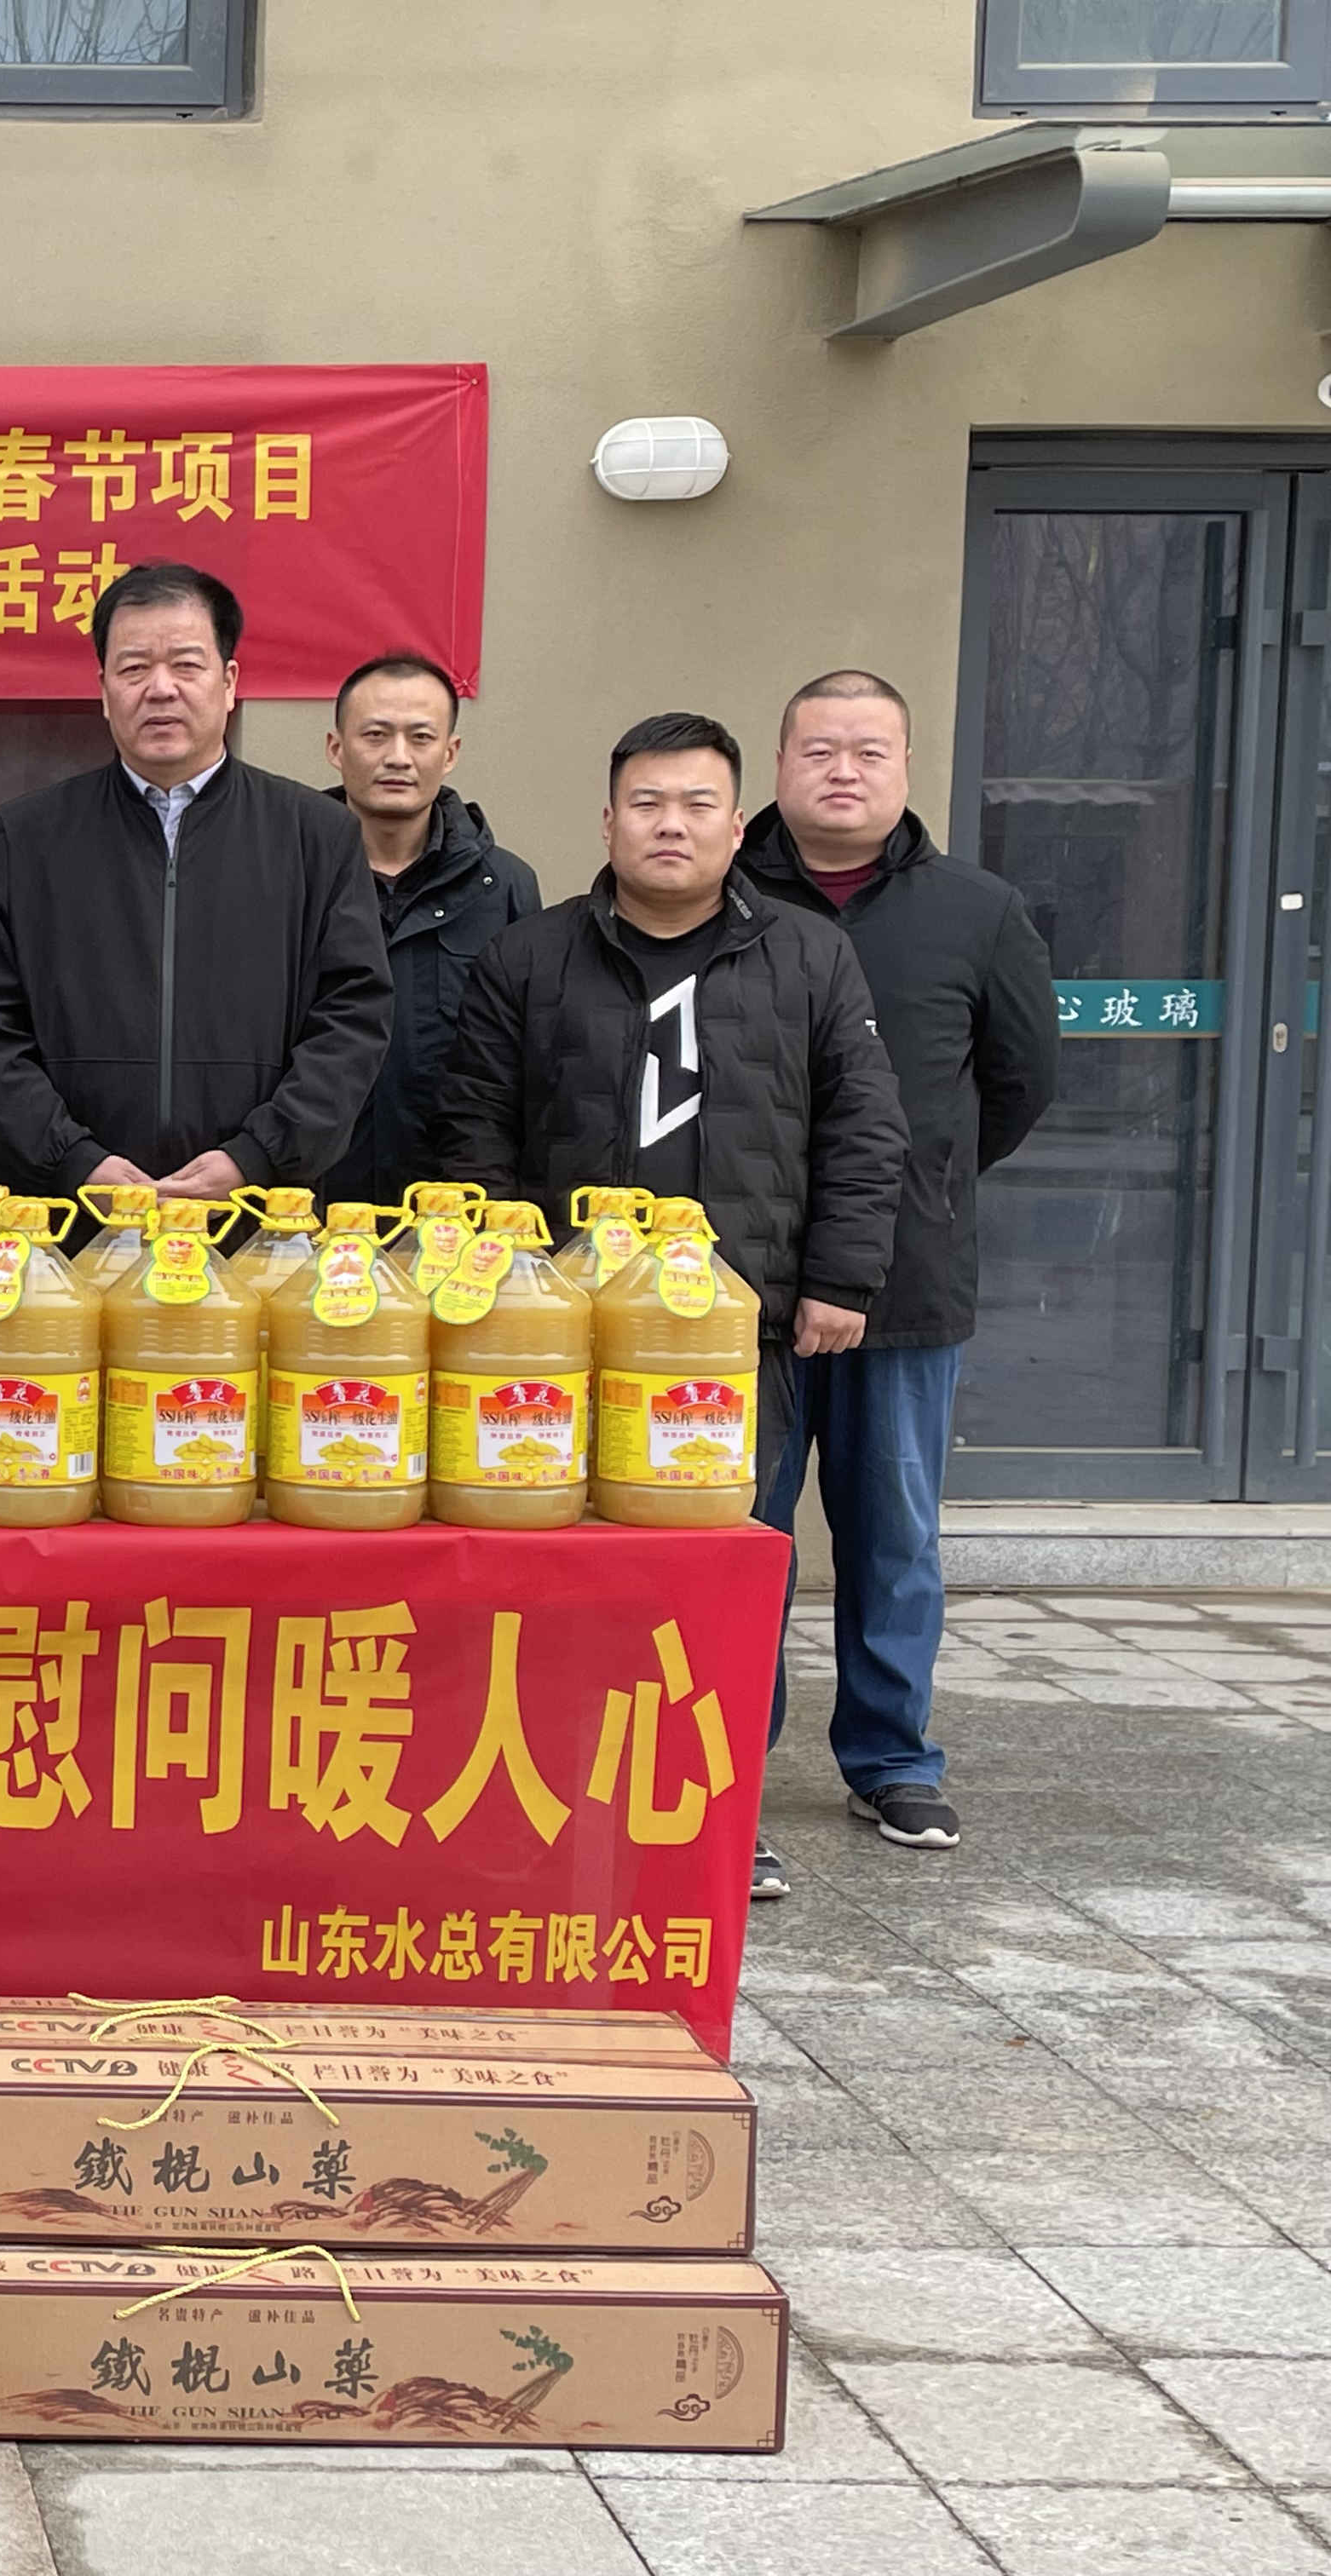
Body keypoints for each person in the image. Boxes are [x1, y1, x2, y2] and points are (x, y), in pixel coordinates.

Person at [437, 712, 909, 1905]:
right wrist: (506, 1293)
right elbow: (476, 1133)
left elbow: (863, 1127)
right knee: (553, 1571)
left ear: (736, 827)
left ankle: (717, 1819)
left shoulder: (808, 957)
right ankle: (543, 1799)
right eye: (647, 803)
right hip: (556, 1333)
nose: (671, 825)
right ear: (608, 822)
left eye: (698, 804)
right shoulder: (530, 958)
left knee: (722, 1573)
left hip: (733, 1335)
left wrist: (841, 1279)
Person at [740, 670, 1057, 1865]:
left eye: (870, 751)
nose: (844, 770)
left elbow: (1019, 1084)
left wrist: (927, 1184)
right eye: (820, 748)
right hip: (742, 1287)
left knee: (894, 1533)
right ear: (780, 765)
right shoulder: (723, 896)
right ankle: (727, 1766)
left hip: (907, 1287)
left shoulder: (977, 910)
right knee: (742, 1533)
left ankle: (893, 1760)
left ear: (906, 770)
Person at [0, 564, 392, 1206]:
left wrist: (258, 1155)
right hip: (67, 1221)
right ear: (103, 690)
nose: (161, 689)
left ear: (229, 683)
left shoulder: (315, 835)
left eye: (186, 665)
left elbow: (352, 1021)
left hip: (257, 1218)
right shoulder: (23, 839)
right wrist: (71, 1159)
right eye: (133, 668)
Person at [315, 654, 539, 1207]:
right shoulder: (288, 873)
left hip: (452, 1211)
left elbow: (522, 1066)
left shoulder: (504, 887)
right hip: (305, 1208)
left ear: (450, 752)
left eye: (420, 737)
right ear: (336, 748)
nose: (398, 757)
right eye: (375, 735)